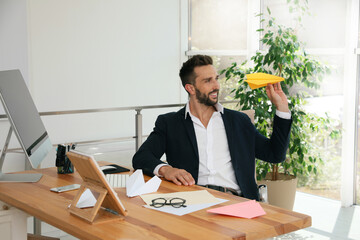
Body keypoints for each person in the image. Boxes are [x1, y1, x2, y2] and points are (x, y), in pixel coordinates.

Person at [132, 55, 292, 201]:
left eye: (216, 78)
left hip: (236, 201)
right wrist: (166, 170)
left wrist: (282, 108)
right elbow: (141, 157)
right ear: (191, 88)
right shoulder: (170, 123)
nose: (216, 85)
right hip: (192, 201)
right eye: (208, 81)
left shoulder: (239, 121)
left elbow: (275, 155)